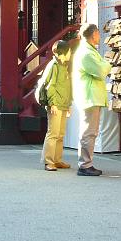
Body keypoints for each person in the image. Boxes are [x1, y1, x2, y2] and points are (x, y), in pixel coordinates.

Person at [72, 23, 112, 176]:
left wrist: (103, 64)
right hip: (90, 96)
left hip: (91, 95)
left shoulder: (88, 51)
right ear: (94, 34)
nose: (99, 36)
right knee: (89, 131)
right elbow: (101, 70)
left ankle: (86, 163)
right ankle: (84, 164)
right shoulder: (86, 53)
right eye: (98, 33)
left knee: (90, 131)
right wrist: (107, 63)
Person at [38, 40, 73, 171]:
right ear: (63, 52)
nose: (71, 53)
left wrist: (68, 103)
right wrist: (52, 103)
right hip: (56, 104)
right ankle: (48, 161)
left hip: (62, 103)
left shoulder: (63, 65)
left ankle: (57, 159)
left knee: (60, 133)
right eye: (69, 51)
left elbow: (66, 87)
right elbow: (50, 86)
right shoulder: (54, 65)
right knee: (53, 133)